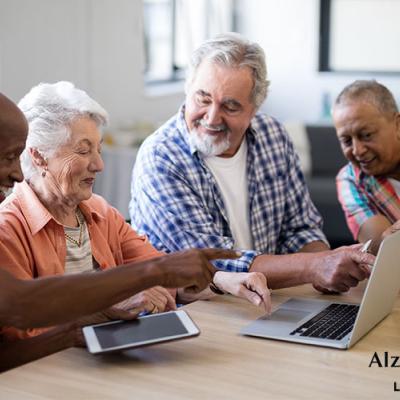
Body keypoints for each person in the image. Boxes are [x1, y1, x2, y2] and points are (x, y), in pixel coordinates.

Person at [0, 81, 270, 341]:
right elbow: (18, 330)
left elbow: (159, 270)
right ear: (38, 156)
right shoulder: (8, 227)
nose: (98, 165)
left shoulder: (100, 212)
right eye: (83, 151)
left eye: (99, 149)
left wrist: (222, 279)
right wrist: (104, 308)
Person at [130, 32, 374, 295]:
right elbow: (210, 262)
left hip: (268, 301)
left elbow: (300, 228)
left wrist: (326, 269)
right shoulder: (160, 157)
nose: (212, 118)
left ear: (254, 108)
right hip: (199, 309)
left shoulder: (273, 136)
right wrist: (315, 266)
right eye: (203, 99)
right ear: (188, 90)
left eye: (230, 106)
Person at [333, 80, 400, 253]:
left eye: (366, 135)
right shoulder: (350, 180)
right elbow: (384, 251)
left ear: (397, 125)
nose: (357, 150)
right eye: (346, 141)